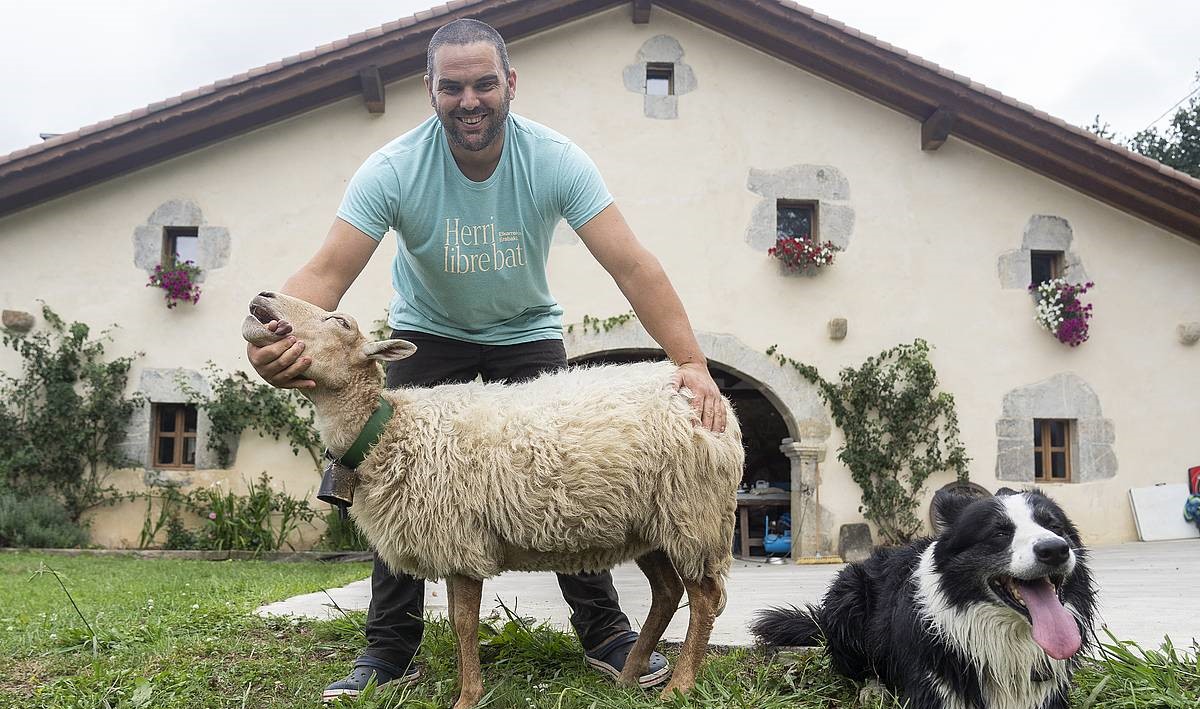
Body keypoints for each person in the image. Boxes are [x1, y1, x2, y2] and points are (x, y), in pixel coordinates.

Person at [246, 18, 727, 703]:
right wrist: (277, 340)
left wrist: (691, 360)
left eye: (482, 84)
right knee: (389, 478)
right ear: (430, 90)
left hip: (523, 333)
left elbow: (632, 265)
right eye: (452, 87)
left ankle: (605, 632)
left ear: (509, 84)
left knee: (567, 477)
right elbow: (325, 274)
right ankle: (388, 647)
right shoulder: (394, 168)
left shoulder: (555, 159)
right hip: (428, 333)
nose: (468, 100)